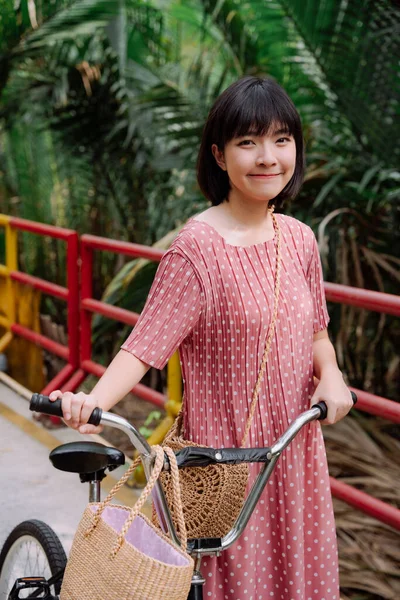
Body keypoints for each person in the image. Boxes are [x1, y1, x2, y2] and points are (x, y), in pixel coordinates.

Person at [50, 76, 353, 599]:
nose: (268, 157)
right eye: (248, 141)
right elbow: (143, 347)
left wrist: (332, 376)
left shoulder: (300, 239)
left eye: (282, 140)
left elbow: (316, 334)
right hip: (222, 470)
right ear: (219, 154)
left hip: (293, 454)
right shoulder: (196, 251)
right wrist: (91, 403)